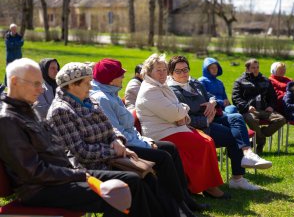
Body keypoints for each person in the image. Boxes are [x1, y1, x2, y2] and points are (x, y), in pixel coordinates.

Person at [0, 58, 158, 217]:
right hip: (40, 189)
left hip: (60, 178)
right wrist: (79, 174)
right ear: (14, 82)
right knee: (120, 191)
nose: (41, 89)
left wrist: (77, 171)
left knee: (130, 184)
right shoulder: (8, 119)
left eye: (41, 84)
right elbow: (33, 171)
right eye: (35, 84)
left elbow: (55, 151)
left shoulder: (26, 110)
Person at [46, 62, 185, 217]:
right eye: (87, 83)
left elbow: (110, 128)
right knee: (135, 181)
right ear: (72, 85)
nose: (91, 87)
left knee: (147, 177)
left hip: (108, 159)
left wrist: (117, 140)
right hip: (87, 167)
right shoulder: (61, 110)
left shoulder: (88, 101)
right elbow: (81, 152)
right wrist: (114, 151)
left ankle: (178, 212)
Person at [90, 58, 209, 214]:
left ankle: (184, 200)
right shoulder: (103, 98)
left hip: (136, 139)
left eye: (164, 69)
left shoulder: (111, 94)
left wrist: (143, 140)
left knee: (170, 149)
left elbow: (177, 111)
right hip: (124, 146)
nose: (123, 77)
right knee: (164, 157)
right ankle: (178, 205)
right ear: (110, 79)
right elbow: (115, 133)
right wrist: (144, 143)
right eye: (120, 75)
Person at [167, 55, 272, 191]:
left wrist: (212, 102)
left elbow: (210, 95)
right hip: (198, 127)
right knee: (234, 137)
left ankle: (248, 154)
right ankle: (237, 179)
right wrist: (205, 120)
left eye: (185, 69)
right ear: (171, 73)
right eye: (178, 71)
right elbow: (182, 118)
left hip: (213, 117)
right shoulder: (171, 91)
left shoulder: (193, 82)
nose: (183, 73)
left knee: (235, 116)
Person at [135, 53, 229, 199]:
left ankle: (204, 185)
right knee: (203, 144)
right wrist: (183, 110)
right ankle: (206, 187)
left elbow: (177, 109)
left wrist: (181, 113)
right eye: (158, 70)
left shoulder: (160, 85)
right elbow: (175, 113)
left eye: (164, 70)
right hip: (162, 133)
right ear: (149, 72)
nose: (162, 73)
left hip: (174, 127)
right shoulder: (150, 90)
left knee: (207, 140)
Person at [232, 58, 286, 154]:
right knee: (251, 119)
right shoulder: (239, 81)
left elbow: (273, 96)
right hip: (249, 111)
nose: (256, 69)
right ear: (247, 69)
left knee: (281, 119)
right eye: (253, 68)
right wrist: (247, 107)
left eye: (257, 67)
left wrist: (271, 106)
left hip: (264, 109)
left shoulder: (265, 80)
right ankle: (261, 142)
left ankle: (258, 136)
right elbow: (236, 98)